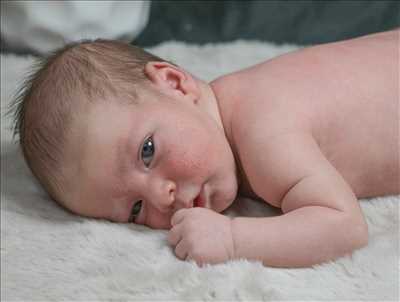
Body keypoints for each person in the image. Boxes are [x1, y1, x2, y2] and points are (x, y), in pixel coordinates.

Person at [10, 29, 399, 267]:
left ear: (175, 84)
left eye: (147, 152)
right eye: (135, 210)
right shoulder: (230, 114)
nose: (161, 196)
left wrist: (233, 240)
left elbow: (343, 226)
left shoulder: (262, 129)